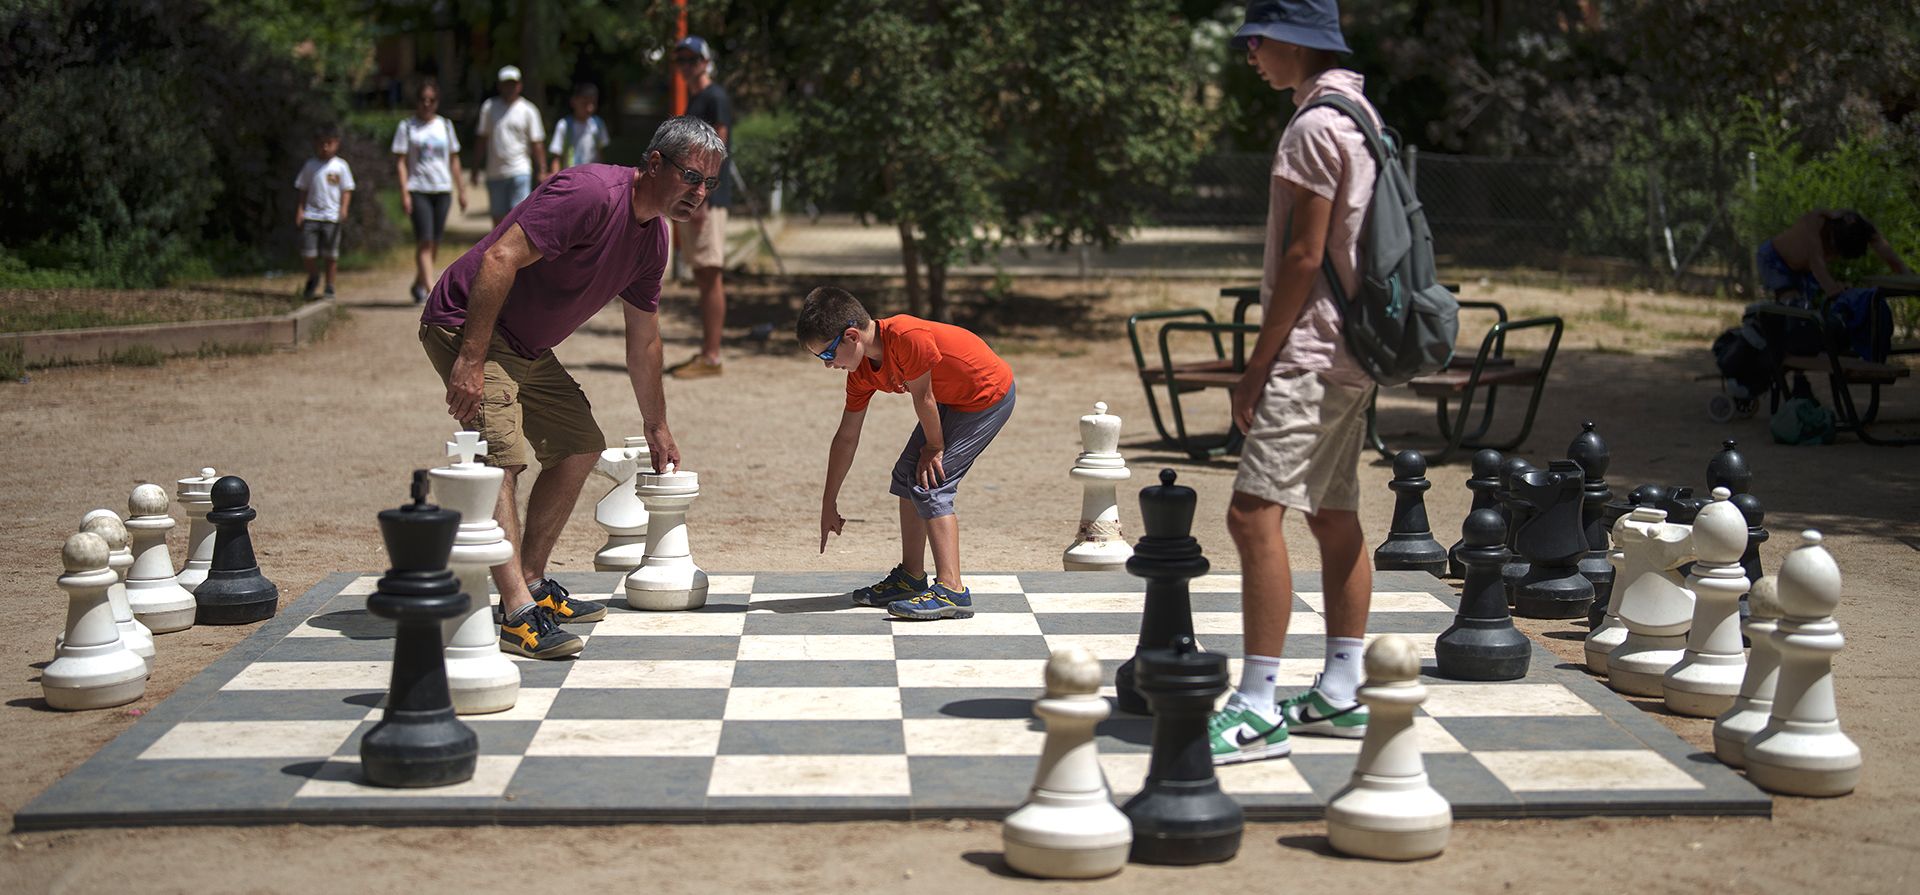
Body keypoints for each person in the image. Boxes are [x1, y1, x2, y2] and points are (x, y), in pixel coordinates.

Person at [418, 116, 724, 659]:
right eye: (692, 177)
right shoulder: (589, 194)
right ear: (655, 163)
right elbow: (499, 258)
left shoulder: (654, 241)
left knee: (579, 445)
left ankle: (532, 581)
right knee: (502, 460)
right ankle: (517, 614)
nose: (699, 193)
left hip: (526, 347)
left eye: (709, 184)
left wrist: (657, 424)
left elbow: (644, 341)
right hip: (469, 324)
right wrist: (470, 357)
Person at [1207, 0, 1381, 765]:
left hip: (1311, 349)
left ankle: (1256, 708)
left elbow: (1305, 257)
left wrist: (1256, 367)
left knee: (1252, 515)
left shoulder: (1313, 126)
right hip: (1356, 349)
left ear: (1292, 41)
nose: (1250, 54)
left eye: (1256, 39)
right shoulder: (1360, 113)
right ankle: (1342, 689)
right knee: (1333, 513)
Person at [800, 286, 1016, 621]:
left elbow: (924, 399)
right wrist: (829, 502)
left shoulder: (906, 337)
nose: (828, 365)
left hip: (986, 395)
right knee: (906, 475)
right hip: (951, 398)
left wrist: (934, 447)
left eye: (828, 355)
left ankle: (952, 590)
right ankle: (911, 577)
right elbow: (846, 437)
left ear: (852, 336)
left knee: (931, 483)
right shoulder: (861, 371)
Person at [665, 36, 735, 380]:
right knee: (703, 275)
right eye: (681, 60)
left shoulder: (715, 97)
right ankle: (708, 352)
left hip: (707, 198)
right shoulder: (697, 98)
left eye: (692, 60)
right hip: (698, 196)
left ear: (706, 62)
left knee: (709, 274)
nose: (686, 66)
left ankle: (712, 356)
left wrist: (702, 195)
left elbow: (716, 149)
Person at [1759, 209, 1911, 360]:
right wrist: (1838, 293)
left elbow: (1889, 255)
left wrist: (1909, 280)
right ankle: (1783, 357)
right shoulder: (1813, 222)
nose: (1833, 253)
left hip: (1804, 270)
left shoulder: (1864, 227)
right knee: (1793, 308)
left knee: (1810, 314)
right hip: (1776, 260)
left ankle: (1807, 357)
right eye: (1833, 248)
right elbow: (1817, 265)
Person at [392, 81, 469, 304]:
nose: (427, 104)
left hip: (442, 189)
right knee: (424, 240)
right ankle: (431, 290)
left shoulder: (445, 126)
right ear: (416, 101)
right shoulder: (407, 127)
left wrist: (461, 190)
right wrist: (404, 192)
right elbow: (400, 162)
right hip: (418, 189)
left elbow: (454, 159)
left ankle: (418, 283)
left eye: (431, 100)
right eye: (423, 99)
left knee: (434, 242)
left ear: (437, 102)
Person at [473, 65, 547, 225]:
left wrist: (541, 170)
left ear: (519, 85)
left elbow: (536, 143)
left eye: (513, 84)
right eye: (506, 84)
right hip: (495, 172)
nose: (509, 88)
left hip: (519, 169)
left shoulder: (528, 110)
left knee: (518, 218)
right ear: (499, 86)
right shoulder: (489, 107)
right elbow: (482, 139)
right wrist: (475, 167)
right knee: (498, 220)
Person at [293, 124, 354, 300]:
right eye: (321, 143)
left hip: (332, 217)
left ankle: (329, 285)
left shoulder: (341, 166)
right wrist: (300, 209)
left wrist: (344, 208)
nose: (325, 147)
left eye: (329, 143)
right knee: (308, 252)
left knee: (331, 254)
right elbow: (303, 189)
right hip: (312, 215)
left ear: (336, 143)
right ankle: (313, 276)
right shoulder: (310, 165)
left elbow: (347, 189)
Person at [547, 83, 612, 175]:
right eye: (585, 103)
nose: (590, 108)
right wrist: (555, 178)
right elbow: (557, 157)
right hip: (570, 176)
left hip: (592, 176)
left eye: (593, 103)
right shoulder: (564, 125)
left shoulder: (598, 124)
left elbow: (600, 153)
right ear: (573, 101)